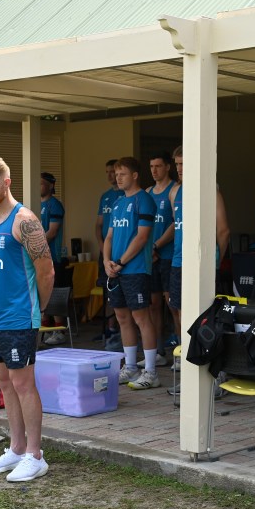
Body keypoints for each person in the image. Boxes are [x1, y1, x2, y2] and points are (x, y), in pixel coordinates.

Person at [0, 156, 55, 483]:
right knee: (5, 384)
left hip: (19, 317)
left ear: (6, 183)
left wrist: (38, 310)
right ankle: (17, 447)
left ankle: (35, 455)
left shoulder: (25, 221)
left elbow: (46, 271)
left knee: (23, 384)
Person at [167, 146, 231, 384]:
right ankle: (190, 376)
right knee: (183, 317)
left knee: (206, 318)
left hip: (202, 265)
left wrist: (213, 261)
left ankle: (214, 375)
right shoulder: (175, 192)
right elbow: (178, 226)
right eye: (177, 165)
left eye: (184, 164)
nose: (180, 169)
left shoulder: (210, 191)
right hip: (178, 262)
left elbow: (223, 231)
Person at [104, 157, 160, 390]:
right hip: (116, 270)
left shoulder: (144, 200)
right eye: (116, 174)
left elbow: (142, 237)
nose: (118, 177)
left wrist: (120, 262)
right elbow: (108, 236)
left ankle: (150, 371)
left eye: (123, 174)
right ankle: (130, 367)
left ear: (135, 175)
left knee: (141, 318)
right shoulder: (117, 203)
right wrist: (107, 261)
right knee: (122, 318)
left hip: (135, 270)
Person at [146, 154, 178, 360]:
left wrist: (157, 245)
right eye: (151, 166)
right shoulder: (148, 192)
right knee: (153, 304)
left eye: (158, 166)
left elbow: (177, 224)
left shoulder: (174, 190)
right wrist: (148, 248)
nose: (154, 170)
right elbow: (146, 224)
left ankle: (179, 351)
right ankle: (158, 351)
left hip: (167, 256)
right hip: (151, 256)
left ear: (168, 167)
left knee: (172, 304)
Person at [96, 159, 125, 350]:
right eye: (107, 172)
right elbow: (98, 226)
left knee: (122, 295)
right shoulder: (105, 196)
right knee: (107, 292)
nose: (110, 175)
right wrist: (102, 249)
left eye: (113, 172)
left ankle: (121, 331)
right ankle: (110, 328)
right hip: (105, 253)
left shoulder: (125, 196)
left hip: (122, 254)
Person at [39, 172, 66, 344]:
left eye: (41, 184)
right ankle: (44, 329)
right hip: (37, 258)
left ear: (50, 185)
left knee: (54, 293)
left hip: (52, 256)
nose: (38, 186)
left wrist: (35, 245)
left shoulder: (54, 205)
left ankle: (59, 330)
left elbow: (52, 231)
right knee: (41, 294)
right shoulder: (34, 204)